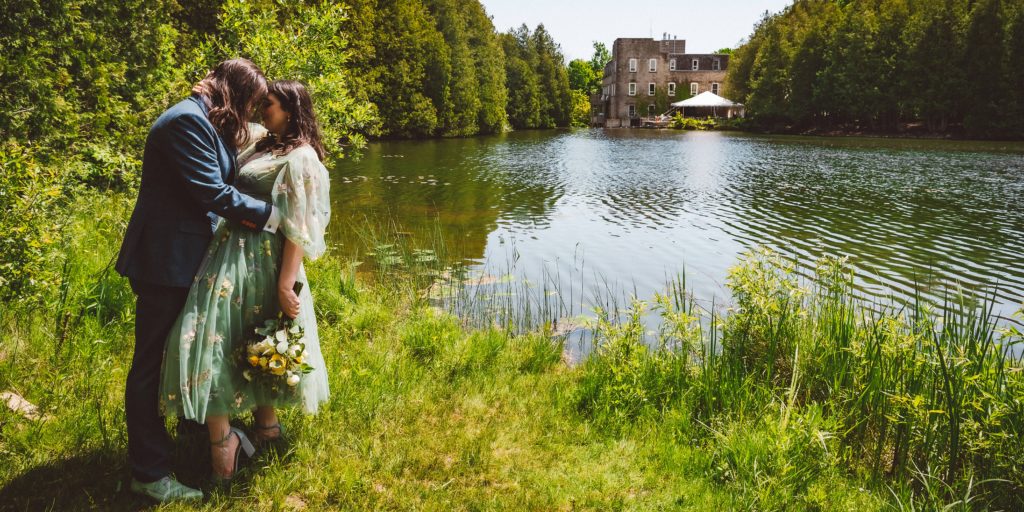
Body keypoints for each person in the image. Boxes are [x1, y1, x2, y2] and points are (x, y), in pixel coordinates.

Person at [116, 58, 280, 503]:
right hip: (164, 261)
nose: (248, 115)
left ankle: (194, 433)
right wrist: (271, 215)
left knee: (185, 350)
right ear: (232, 92)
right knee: (150, 365)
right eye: (249, 105)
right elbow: (211, 190)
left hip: (185, 258)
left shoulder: (203, 120)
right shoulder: (184, 122)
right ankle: (149, 473)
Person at [158, 80, 331, 488]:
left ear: (291, 108)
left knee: (240, 337)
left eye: (268, 104)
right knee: (225, 338)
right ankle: (257, 431)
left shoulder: (303, 157)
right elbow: (229, 129)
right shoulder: (262, 143)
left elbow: (300, 225)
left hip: (266, 262)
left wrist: (287, 282)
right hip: (230, 255)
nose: (260, 109)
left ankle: (236, 441)